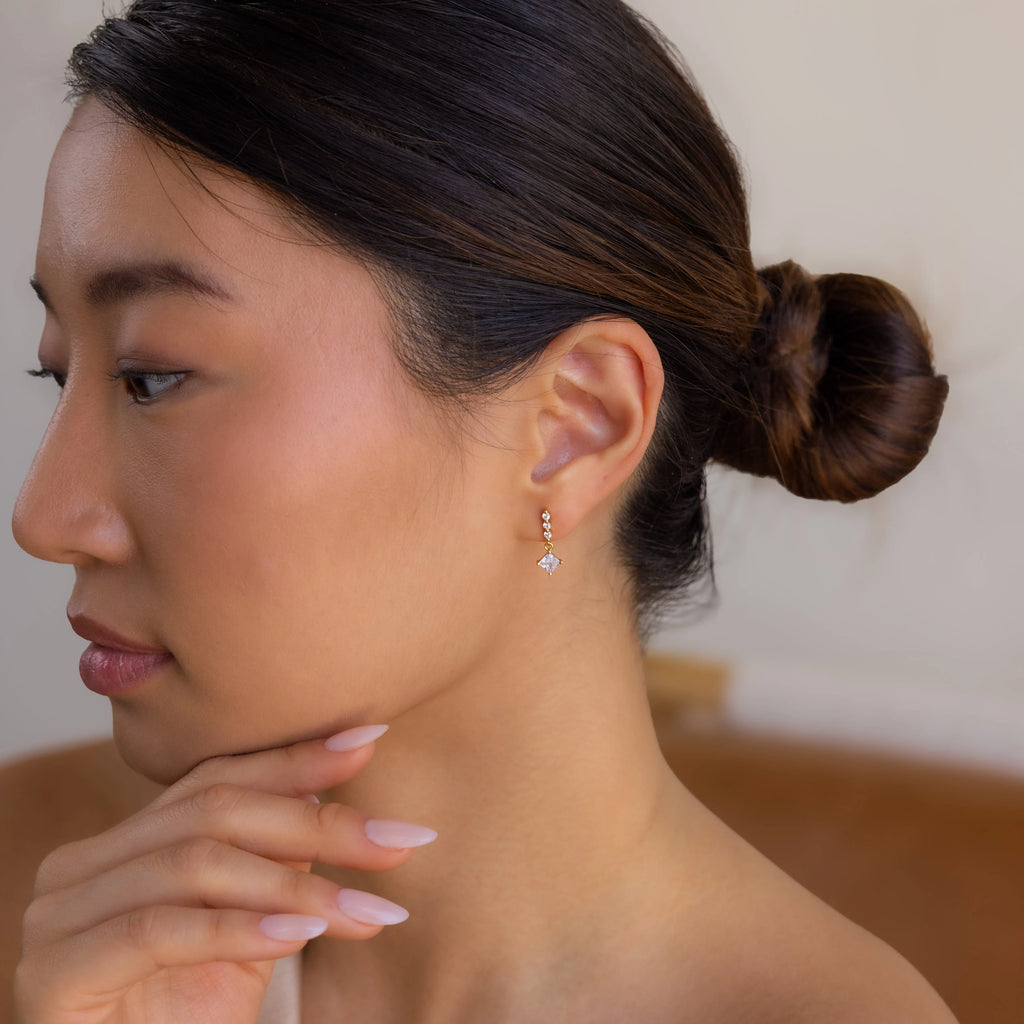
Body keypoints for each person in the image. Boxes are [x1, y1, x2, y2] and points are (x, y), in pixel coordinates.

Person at [2, 0, 957, 1021]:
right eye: (58, 373)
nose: (44, 515)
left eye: (152, 375)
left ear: (572, 426)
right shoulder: (46, 896)